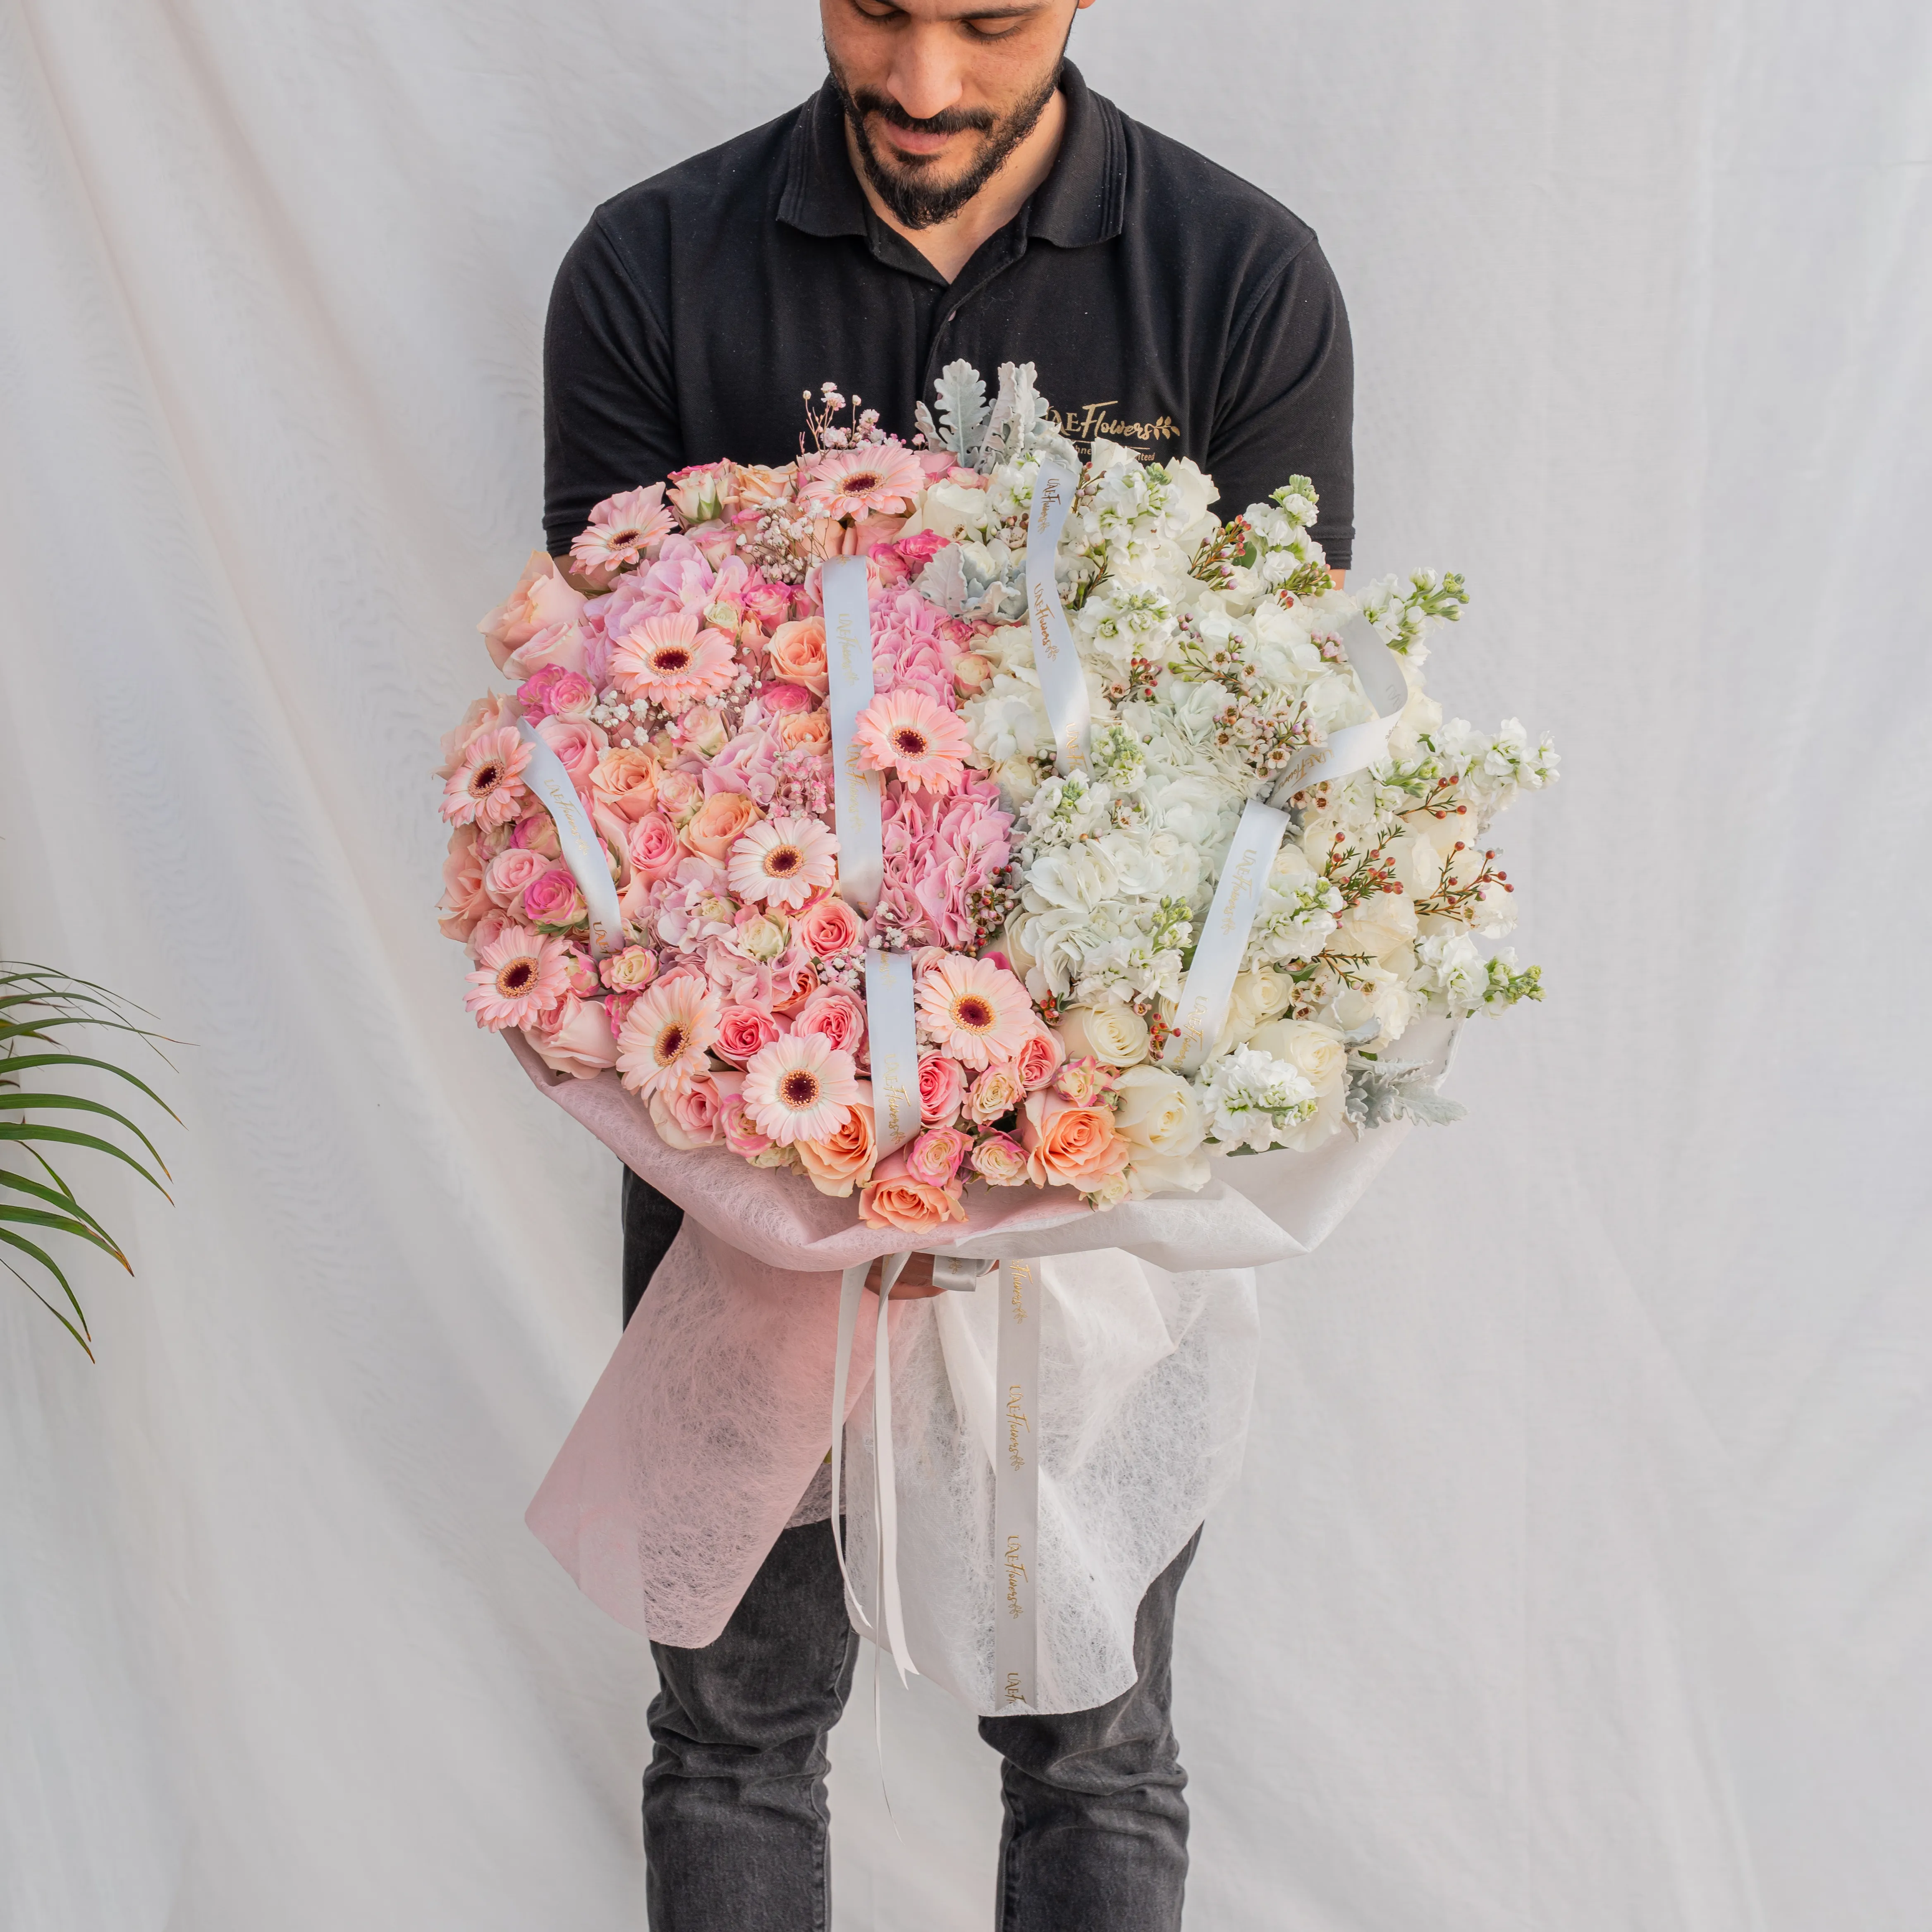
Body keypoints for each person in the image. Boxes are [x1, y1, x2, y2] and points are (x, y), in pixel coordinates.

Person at [542, 5, 1353, 1927]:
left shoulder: (1240, 280)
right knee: (734, 1718)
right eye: (876, 8)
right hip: (741, 1133)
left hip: (1092, 1164)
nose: (920, 83)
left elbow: (1277, 760)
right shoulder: (651, 266)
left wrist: (1044, 1112)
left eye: (988, 22)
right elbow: (599, 749)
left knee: (1093, 1729)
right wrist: (785, 1116)